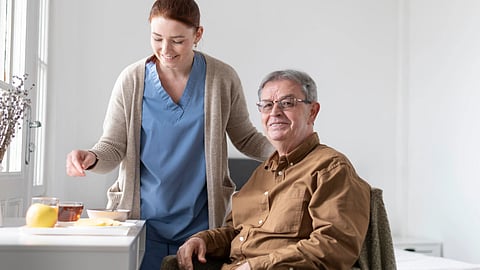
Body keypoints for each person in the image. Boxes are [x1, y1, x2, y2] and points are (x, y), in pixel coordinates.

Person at [65, 1, 273, 269]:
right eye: (157, 38)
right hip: (141, 225)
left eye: (177, 41)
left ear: (198, 35)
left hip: (201, 228)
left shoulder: (222, 78)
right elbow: (113, 146)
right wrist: (91, 157)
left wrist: (290, 152)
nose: (165, 49)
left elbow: (245, 137)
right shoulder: (131, 80)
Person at [176, 70, 371, 270]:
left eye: (287, 103)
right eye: (267, 105)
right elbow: (236, 232)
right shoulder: (261, 173)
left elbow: (334, 246)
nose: (275, 112)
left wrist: (256, 266)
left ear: (312, 111)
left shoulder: (331, 168)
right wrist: (203, 240)